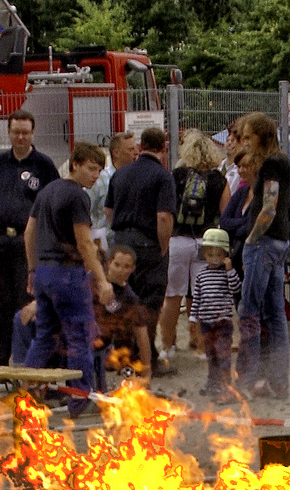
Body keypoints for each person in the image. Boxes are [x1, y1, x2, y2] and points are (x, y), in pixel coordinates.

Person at [23, 141, 114, 418]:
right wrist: (102, 279)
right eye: (90, 169)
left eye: (98, 171)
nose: (94, 176)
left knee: (44, 337)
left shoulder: (47, 190)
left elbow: (29, 233)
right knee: (80, 337)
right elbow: (85, 242)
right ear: (75, 164)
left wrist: (32, 270)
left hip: (44, 273)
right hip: (68, 274)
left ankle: (27, 393)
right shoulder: (77, 196)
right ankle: (81, 399)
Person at [0, 111, 59, 368]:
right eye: (16, 132)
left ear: (33, 133)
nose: (20, 137)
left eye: (25, 132)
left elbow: (53, 206)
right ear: (9, 133)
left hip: (28, 244)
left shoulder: (44, 165)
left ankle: (30, 364)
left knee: (26, 303)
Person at [235, 112, 290, 399]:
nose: (245, 143)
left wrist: (251, 239)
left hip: (264, 244)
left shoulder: (272, 163)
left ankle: (245, 381)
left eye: (248, 136)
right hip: (277, 242)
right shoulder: (282, 161)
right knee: (275, 315)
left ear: (262, 135)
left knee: (249, 312)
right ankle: (278, 380)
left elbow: (269, 207)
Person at [106, 126, 177, 369]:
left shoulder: (121, 174)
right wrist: (163, 246)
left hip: (122, 242)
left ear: (140, 147)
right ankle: (145, 357)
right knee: (148, 303)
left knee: (122, 299)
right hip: (148, 244)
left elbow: (108, 212)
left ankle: (121, 355)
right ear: (163, 147)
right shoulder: (163, 176)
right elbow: (164, 218)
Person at [163, 129, 229, 360]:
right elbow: (225, 213)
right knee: (204, 296)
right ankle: (202, 347)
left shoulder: (177, 175)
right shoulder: (219, 179)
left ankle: (167, 346)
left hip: (178, 240)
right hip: (206, 242)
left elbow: (167, 209)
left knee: (172, 296)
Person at [189, 229, 242, 396]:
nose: (213, 258)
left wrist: (230, 270)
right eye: (210, 254)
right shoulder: (201, 275)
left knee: (223, 354)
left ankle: (225, 385)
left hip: (223, 322)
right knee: (210, 354)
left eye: (218, 254)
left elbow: (236, 288)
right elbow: (197, 297)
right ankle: (212, 382)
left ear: (225, 255)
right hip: (206, 322)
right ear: (204, 254)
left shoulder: (226, 274)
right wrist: (192, 316)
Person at [92, 245, 154, 380]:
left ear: (132, 269)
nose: (121, 270)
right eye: (117, 265)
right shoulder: (93, 281)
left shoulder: (130, 299)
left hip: (106, 348)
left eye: (126, 267)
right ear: (109, 263)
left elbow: (142, 335)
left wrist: (146, 369)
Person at [92, 132, 137, 251]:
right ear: (116, 153)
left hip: (130, 244)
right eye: (130, 149)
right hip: (106, 245)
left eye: (135, 148)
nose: (136, 153)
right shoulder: (100, 180)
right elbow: (87, 210)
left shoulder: (137, 178)